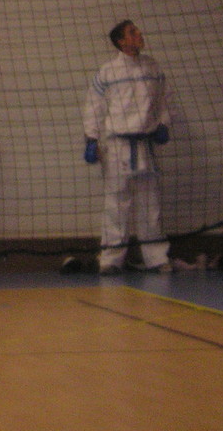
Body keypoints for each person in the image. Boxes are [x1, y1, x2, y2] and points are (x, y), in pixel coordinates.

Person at [83, 20, 172, 274]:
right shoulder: (107, 72)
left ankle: (156, 258)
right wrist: (91, 138)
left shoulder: (153, 67)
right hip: (117, 146)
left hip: (145, 143)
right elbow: (93, 106)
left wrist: (164, 123)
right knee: (116, 203)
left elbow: (165, 100)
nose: (139, 33)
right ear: (121, 42)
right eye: (132, 32)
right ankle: (111, 259)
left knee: (149, 203)